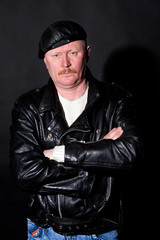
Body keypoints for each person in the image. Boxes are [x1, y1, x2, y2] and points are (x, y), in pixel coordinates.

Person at [10, 21, 143, 240]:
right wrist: (96, 155)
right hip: (46, 229)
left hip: (101, 230)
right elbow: (25, 174)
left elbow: (132, 154)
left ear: (87, 53)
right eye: (56, 55)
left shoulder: (116, 100)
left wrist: (57, 153)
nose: (65, 62)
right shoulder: (28, 107)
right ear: (46, 61)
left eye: (73, 52)